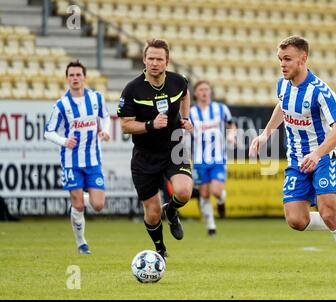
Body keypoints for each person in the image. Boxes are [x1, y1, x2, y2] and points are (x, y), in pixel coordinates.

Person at [250, 36, 336, 283]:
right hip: (296, 161)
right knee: (296, 220)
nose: (282, 64)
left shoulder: (320, 91)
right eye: (280, 59)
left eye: (287, 59)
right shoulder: (283, 86)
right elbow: (282, 107)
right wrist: (266, 134)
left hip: (323, 157)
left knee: (327, 212)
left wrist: (317, 154)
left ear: (303, 59)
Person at [117, 39, 193, 259]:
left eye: (159, 59)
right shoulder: (132, 89)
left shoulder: (178, 81)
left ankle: (171, 210)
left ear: (167, 61)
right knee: (152, 212)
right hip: (144, 156)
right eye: (150, 58)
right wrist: (150, 125)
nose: (154, 63)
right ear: (144, 60)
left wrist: (184, 118)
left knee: (184, 192)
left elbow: (185, 93)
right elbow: (124, 125)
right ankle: (160, 249)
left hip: (173, 147)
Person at [44, 60, 110, 254]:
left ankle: (77, 201)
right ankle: (82, 244)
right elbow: (48, 131)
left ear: (84, 77)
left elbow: (105, 117)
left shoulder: (97, 98)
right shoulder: (62, 105)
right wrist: (64, 141)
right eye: (71, 75)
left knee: (98, 205)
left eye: (78, 75)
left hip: (93, 161)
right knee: (79, 205)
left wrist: (105, 131)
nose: (75, 78)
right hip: (71, 162)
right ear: (67, 79)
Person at [189, 80, 237, 236]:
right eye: (201, 90)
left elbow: (231, 125)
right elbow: (185, 130)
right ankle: (211, 226)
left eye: (207, 89)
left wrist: (231, 136)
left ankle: (221, 200)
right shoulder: (191, 112)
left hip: (218, 158)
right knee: (203, 193)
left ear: (210, 92)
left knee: (216, 191)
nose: (204, 92)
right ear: (195, 93)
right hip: (199, 160)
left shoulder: (221, 109)